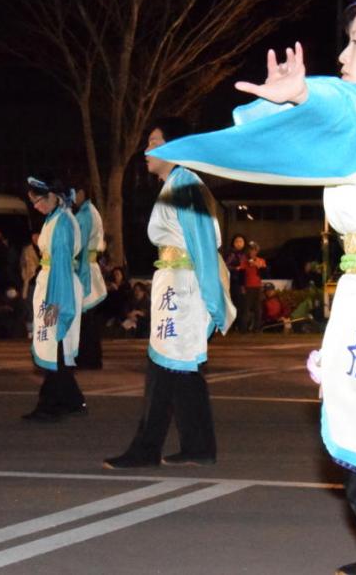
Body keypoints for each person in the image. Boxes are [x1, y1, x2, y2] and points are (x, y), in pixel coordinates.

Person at [149, 0, 356, 573]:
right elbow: (328, 127)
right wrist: (293, 105)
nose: (343, 55)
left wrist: (307, 96)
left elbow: (345, 108)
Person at [104, 118, 235, 469]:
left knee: (163, 369)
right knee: (182, 369)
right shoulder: (175, 185)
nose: (146, 150)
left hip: (183, 290)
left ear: (176, 147)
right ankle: (198, 445)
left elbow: (204, 247)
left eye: (154, 142)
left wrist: (214, 301)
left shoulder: (186, 186)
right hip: (175, 286)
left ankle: (147, 448)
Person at [21, 175, 86, 422]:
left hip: (57, 290)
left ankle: (50, 404)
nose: (35, 206)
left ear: (51, 196)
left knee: (54, 344)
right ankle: (71, 399)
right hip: (54, 285)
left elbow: (59, 264)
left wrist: (55, 304)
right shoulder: (56, 218)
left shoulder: (61, 223)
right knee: (57, 346)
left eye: (37, 200)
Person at [73, 183, 107, 369]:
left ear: (81, 191)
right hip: (90, 268)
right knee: (89, 321)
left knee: (87, 321)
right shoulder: (89, 211)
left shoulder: (85, 215)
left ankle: (88, 358)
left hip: (85, 270)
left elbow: (80, 247)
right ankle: (91, 358)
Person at [239, 241, 267, 331]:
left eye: (254, 250)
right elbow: (241, 276)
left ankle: (257, 328)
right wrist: (242, 287)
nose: (252, 252)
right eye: (251, 250)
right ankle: (243, 328)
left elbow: (264, 274)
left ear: (257, 251)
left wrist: (258, 266)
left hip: (258, 286)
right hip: (248, 287)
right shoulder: (244, 262)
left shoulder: (261, 261)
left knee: (258, 308)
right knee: (246, 308)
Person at [224, 233, 248, 332]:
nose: (239, 243)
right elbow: (225, 266)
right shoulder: (231, 254)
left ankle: (241, 327)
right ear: (233, 243)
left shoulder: (245, 254)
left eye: (241, 241)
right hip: (234, 282)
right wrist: (236, 269)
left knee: (242, 306)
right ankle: (233, 327)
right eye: (237, 241)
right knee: (235, 304)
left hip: (244, 282)